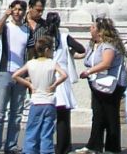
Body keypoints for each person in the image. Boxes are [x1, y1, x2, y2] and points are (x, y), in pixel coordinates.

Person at [77, 16, 127, 154]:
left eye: (92, 27)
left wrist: (88, 72)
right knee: (98, 114)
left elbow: (106, 63)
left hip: (112, 84)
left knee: (110, 115)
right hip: (98, 83)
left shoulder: (108, 46)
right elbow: (84, 55)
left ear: (100, 31)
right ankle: (94, 145)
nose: (90, 29)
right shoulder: (94, 44)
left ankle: (112, 147)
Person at [12, 34, 67, 154]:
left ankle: (29, 151)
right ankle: (46, 151)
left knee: (32, 130)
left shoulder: (31, 63)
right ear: (47, 50)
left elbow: (15, 75)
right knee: (47, 132)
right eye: (52, 49)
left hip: (36, 102)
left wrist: (30, 85)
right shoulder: (52, 63)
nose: (53, 52)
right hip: (49, 102)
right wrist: (54, 85)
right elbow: (64, 75)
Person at [0, 0, 30, 154]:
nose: (17, 12)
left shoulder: (27, 30)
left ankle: (11, 145)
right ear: (11, 10)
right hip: (5, 72)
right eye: (15, 9)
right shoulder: (6, 27)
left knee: (16, 114)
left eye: (20, 10)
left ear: (24, 12)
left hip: (20, 75)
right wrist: (4, 16)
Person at [43, 10, 85, 154]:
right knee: (63, 117)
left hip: (48, 75)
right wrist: (70, 52)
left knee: (46, 114)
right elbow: (81, 48)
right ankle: (64, 147)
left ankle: (45, 145)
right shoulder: (65, 37)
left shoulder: (44, 38)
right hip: (62, 76)